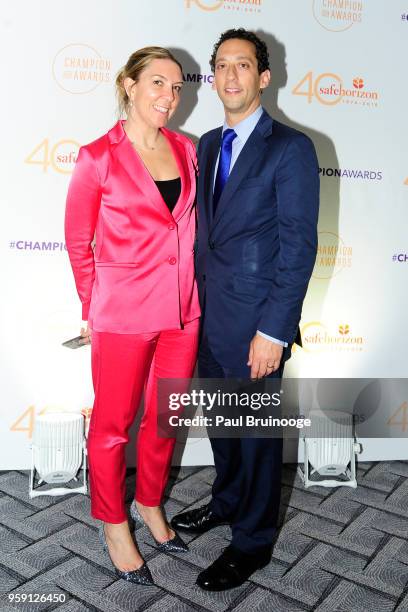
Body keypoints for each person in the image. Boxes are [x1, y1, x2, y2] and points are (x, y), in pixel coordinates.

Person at [171, 29, 319, 591]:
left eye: (243, 65)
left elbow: (298, 245)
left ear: (263, 77)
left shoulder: (290, 148)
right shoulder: (207, 143)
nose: (231, 76)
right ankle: (226, 502)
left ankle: (253, 542)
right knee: (224, 426)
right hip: (205, 316)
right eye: (221, 66)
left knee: (256, 436)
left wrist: (274, 330)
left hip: (257, 322)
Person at [65, 47, 200, 585]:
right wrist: (91, 307)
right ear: (128, 85)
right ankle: (113, 521)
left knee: (165, 418)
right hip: (121, 313)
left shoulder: (185, 150)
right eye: (158, 84)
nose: (169, 96)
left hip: (183, 311)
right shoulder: (97, 155)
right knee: (113, 425)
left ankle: (149, 503)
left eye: (177, 87)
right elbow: (79, 243)